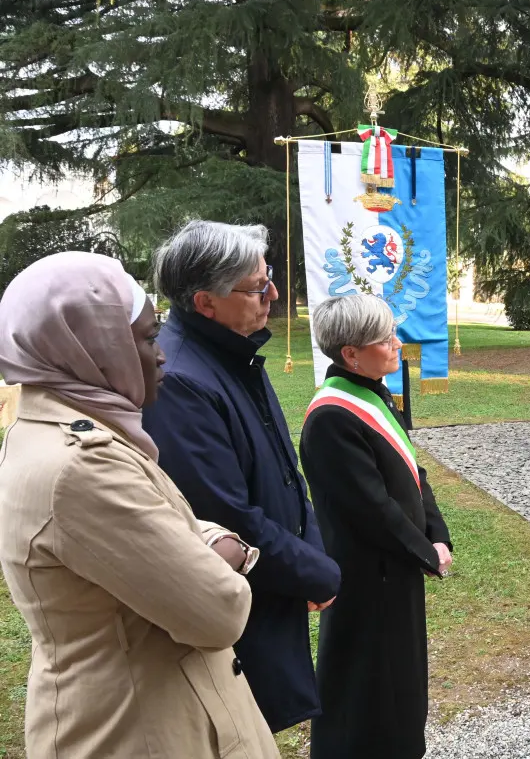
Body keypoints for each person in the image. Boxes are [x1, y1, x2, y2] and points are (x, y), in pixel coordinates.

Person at [0, 253, 278, 758]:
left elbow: (176, 526)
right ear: (88, 348)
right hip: (141, 732)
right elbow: (218, 611)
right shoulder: (82, 467)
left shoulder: (61, 430)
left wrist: (195, 541)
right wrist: (228, 547)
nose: (163, 354)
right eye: (149, 338)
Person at [143, 221, 342, 733]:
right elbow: (224, 515)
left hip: (271, 583)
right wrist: (317, 571)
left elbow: (282, 473)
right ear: (206, 302)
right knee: (236, 729)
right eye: (258, 287)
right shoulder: (183, 381)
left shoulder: (231, 351)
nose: (273, 294)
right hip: (237, 606)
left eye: (268, 275)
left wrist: (312, 549)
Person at [300, 295, 453, 759]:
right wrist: (425, 554)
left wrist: (437, 534)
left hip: (395, 568)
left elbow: (412, 473)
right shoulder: (331, 416)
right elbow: (371, 507)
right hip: (367, 577)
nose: (396, 344)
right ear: (351, 353)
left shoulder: (374, 393)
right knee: (365, 685)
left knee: (400, 682)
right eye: (385, 338)